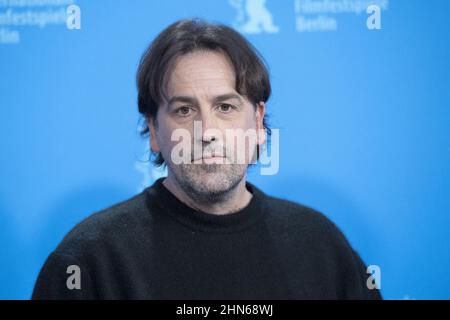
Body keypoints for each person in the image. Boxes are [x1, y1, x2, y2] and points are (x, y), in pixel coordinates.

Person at [32, 18, 381, 299]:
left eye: (225, 107)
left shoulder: (321, 245)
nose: (206, 131)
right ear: (154, 130)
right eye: (184, 110)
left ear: (258, 122)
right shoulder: (87, 263)